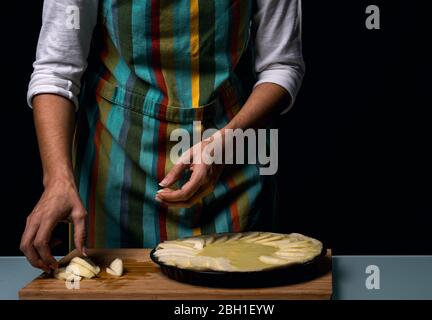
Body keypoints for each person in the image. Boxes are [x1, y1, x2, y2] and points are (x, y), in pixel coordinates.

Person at [21, 0, 304, 272]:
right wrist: (57, 179)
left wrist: (225, 142)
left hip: (234, 154)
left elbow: (281, 66)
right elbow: (57, 70)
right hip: (117, 162)